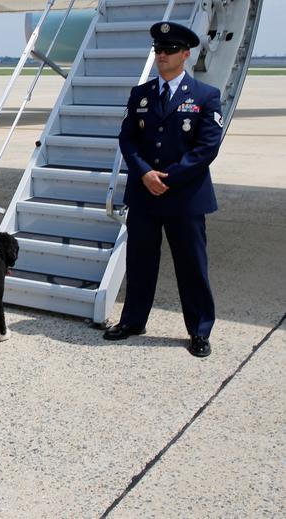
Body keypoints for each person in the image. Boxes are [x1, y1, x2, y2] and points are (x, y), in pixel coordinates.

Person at [103, 21, 224, 358]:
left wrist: (166, 178)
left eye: (169, 50)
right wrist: (144, 174)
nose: (162, 55)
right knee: (140, 262)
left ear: (186, 54)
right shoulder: (141, 94)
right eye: (158, 49)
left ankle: (199, 331)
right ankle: (133, 321)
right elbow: (128, 139)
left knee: (191, 265)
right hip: (145, 194)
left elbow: (207, 148)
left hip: (185, 197)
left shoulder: (205, 96)